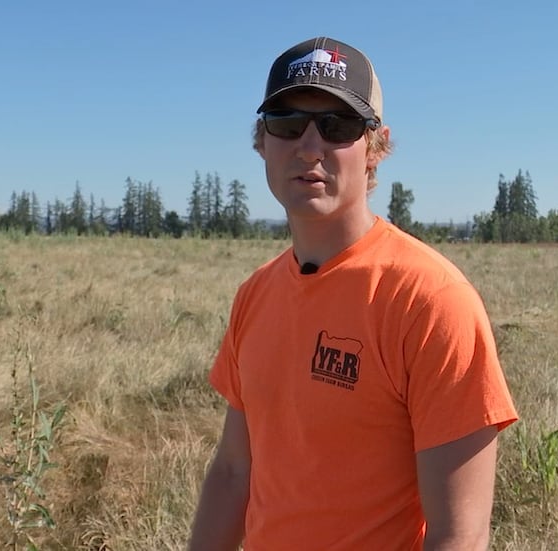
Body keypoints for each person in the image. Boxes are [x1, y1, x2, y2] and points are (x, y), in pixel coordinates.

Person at [188, 36, 518, 550]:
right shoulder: (255, 296)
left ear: (375, 148)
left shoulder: (430, 301)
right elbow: (234, 472)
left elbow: (460, 536)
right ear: (261, 141)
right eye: (288, 123)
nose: (310, 146)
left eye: (338, 127)